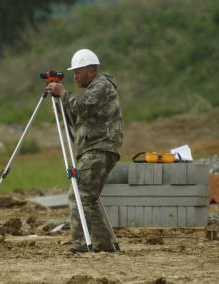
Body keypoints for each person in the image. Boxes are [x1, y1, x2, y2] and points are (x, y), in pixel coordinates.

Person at [47, 49, 124, 253]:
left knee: (79, 195)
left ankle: (82, 243)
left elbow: (82, 109)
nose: (75, 76)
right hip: (96, 146)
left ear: (91, 70)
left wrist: (62, 94)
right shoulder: (95, 88)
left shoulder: (102, 86)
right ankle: (104, 244)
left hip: (100, 146)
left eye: (78, 72)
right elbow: (77, 118)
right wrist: (59, 102)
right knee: (90, 197)